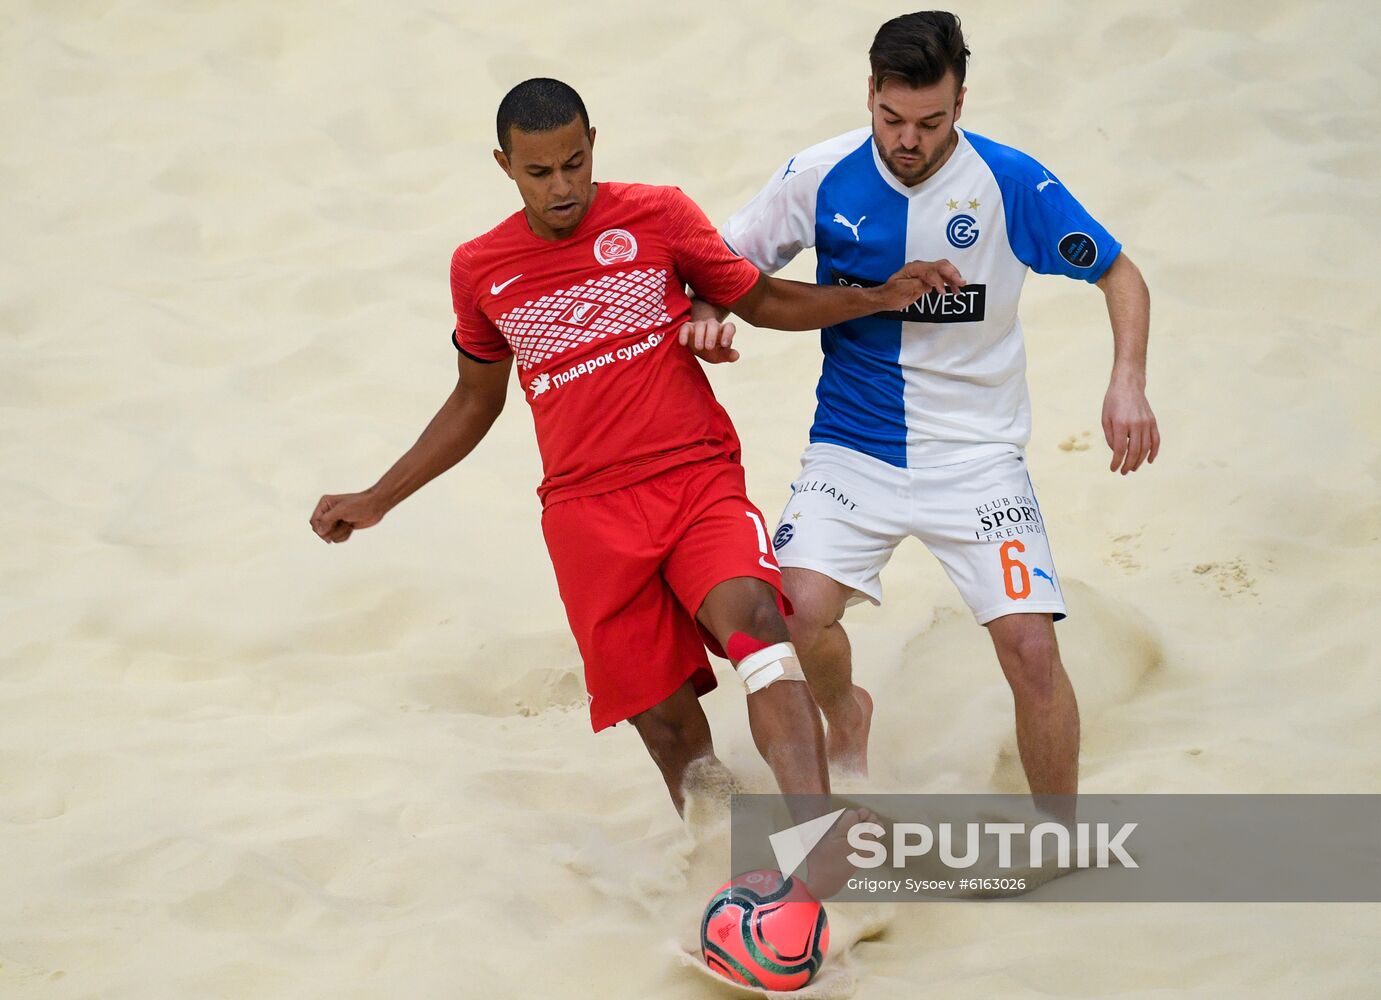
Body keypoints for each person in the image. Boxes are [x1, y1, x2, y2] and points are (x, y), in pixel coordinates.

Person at [308, 78, 959, 818]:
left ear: (593, 146)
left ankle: (818, 839)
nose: (562, 187)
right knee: (668, 730)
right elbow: (473, 399)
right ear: (504, 165)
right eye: (539, 171)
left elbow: (761, 299)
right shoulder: (479, 268)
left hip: (693, 479)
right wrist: (377, 499)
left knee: (762, 639)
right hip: (586, 517)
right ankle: (724, 853)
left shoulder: (657, 214)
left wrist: (872, 296)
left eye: (575, 163)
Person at [682, 12, 1160, 798]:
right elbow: (724, 264)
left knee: (1030, 650)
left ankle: (1059, 834)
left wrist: (1127, 380)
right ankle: (849, 715)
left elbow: (1119, 274)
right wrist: (708, 309)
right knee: (798, 614)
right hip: (852, 445)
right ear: (869, 92)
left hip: (976, 457)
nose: (908, 140)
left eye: (930, 122)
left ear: (960, 104)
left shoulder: (1009, 181)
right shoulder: (819, 173)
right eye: (891, 118)